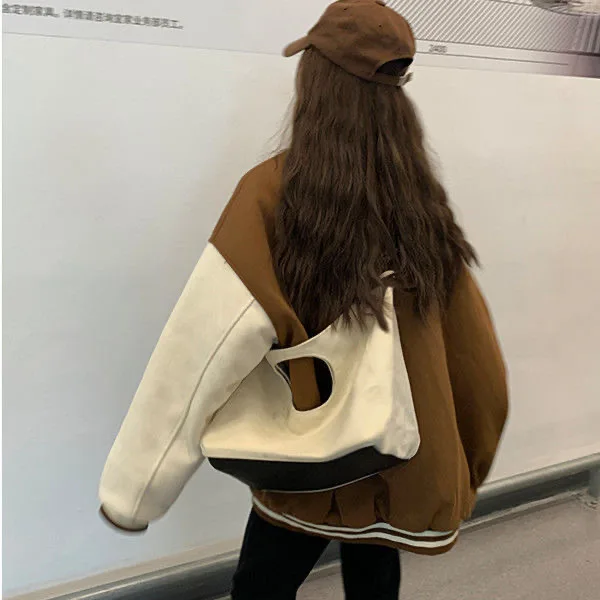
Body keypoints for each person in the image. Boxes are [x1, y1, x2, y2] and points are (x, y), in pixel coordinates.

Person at [99, 2, 509, 599]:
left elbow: (199, 351)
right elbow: (477, 357)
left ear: (314, 82)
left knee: (260, 588)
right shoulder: (421, 202)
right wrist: (468, 463)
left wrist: (134, 492)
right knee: (374, 577)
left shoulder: (270, 194)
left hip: (312, 461)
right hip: (402, 455)